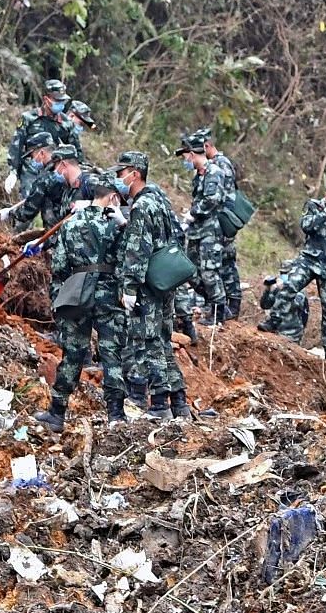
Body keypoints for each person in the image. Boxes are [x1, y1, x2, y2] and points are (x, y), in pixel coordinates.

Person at [33, 182, 127, 432]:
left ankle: (57, 413)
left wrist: (59, 297)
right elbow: (130, 258)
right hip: (109, 294)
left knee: (73, 353)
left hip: (78, 291)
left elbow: (60, 265)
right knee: (112, 354)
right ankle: (116, 415)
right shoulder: (118, 224)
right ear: (112, 199)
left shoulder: (72, 222)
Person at [112, 151, 191, 419]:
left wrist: (130, 287)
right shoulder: (158, 201)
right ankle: (179, 402)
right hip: (164, 282)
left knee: (149, 342)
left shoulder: (142, 206)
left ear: (135, 173)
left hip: (147, 285)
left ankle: (159, 404)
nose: (118, 178)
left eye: (121, 173)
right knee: (163, 342)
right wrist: (127, 225)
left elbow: (138, 250)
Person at [265, 179, 326, 358]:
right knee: (289, 286)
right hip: (310, 259)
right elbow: (306, 226)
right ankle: (273, 321)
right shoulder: (313, 206)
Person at [177, 131, 236, 324]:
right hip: (196, 231)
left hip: (211, 231)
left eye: (185, 157)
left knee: (210, 272)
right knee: (191, 272)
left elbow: (212, 199)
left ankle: (218, 311)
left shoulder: (214, 172)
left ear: (192, 155)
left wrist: (193, 214)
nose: (185, 161)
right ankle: (217, 304)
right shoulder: (199, 176)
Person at [194, 128, 245, 311]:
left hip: (222, 223)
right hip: (215, 223)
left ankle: (231, 305)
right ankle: (223, 304)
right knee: (219, 263)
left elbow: (224, 198)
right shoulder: (212, 165)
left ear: (207, 146)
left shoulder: (220, 165)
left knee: (225, 264)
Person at [258, 261, 310, 343]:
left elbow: (296, 304)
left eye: (286, 273)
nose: (283, 276)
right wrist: (268, 289)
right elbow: (265, 305)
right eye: (282, 273)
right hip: (276, 332)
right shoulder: (278, 289)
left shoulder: (299, 289)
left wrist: (284, 290)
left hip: (292, 334)